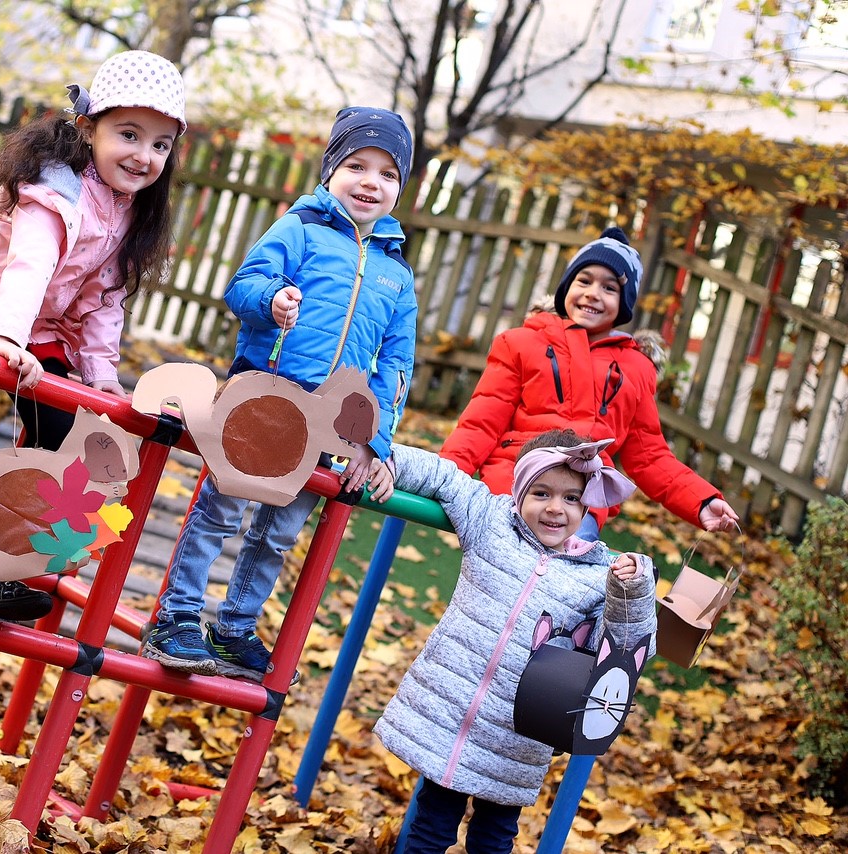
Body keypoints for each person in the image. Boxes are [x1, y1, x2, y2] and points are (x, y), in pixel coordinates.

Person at [0, 50, 186, 617]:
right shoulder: (57, 187)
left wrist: (102, 380)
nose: (144, 155)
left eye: (160, 145)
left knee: (64, 427)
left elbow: (105, 300)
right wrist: (6, 341)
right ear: (87, 128)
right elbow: (28, 265)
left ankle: (9, 549)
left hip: (35, 326)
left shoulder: (130, 210)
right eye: (129, 134)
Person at [140, 107, 419, 682]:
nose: (371, 182)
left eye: (388, 175)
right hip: (265, 398)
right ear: (329, 170)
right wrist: (271, 300)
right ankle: (177, 616)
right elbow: (240, 286)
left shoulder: (397, 275)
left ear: (400, 190)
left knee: (279, 532)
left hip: (329, 422)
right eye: (357, 165)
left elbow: (395, 364)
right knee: (221, 510)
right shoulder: (300, 229)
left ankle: (236, 626)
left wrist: (376, 441)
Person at [368, 429, 658, 854]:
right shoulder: (492, 523)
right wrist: (387, 461)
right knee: (431, 826)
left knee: (493, 839)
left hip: (518, 737)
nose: (556, 509)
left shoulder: (597, 575)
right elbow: (445, 478)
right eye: (542, 493)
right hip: (452, 718)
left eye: (572, 498)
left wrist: (631, 592)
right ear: (520, 492)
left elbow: (625, 650)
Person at [439, 226, 739, 540]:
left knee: (567, 566)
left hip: (577, 502)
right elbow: (482, 421)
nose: (593, 293)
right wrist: (446, 475)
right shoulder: (521, 343)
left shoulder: (635, 369)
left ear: (623, 303)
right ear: (566, 288)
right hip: (514, 483)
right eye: (584, 281)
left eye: (609, 288)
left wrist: (701, 501)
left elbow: (649, 456)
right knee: (495, 562)